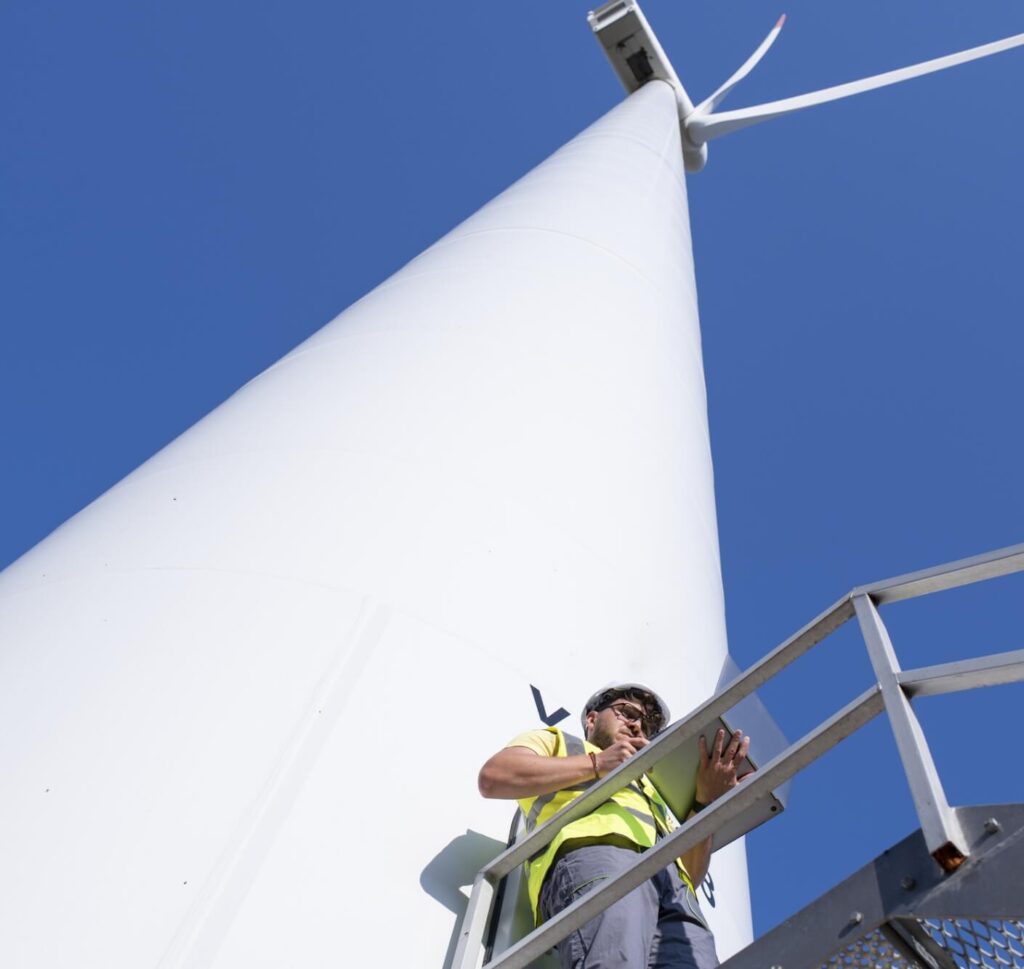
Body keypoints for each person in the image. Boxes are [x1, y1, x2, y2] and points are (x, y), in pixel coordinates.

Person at [478, 681, 751, 969]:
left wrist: (706, 805)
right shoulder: (561, 743)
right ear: (592, 719)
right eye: (626, 712)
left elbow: (689, 876)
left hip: (677, 895)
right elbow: (494, 776)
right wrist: (598, 763)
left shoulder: (657, 790)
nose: (637, 726)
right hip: (603, 862)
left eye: (647, 726)